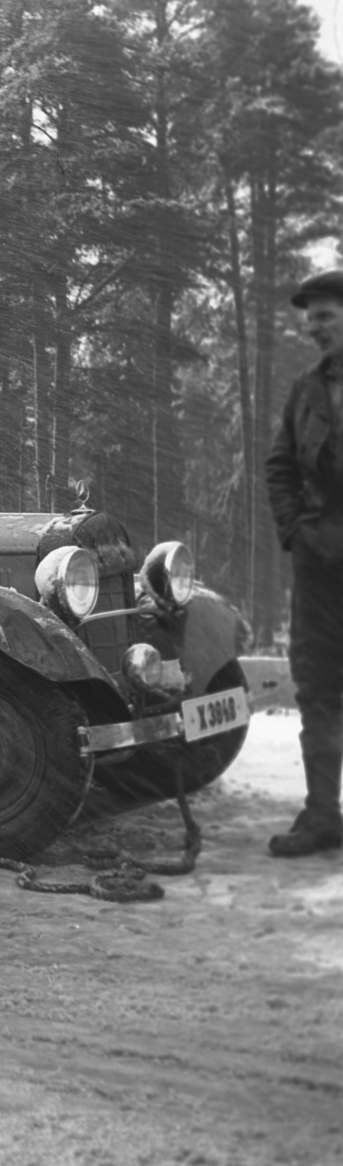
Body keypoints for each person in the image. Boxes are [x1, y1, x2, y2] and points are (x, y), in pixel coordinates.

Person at [265, 268, 343, 857]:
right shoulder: (305, 390)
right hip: (318, 562)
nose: (313, 327)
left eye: (324, 316)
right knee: (317, 685)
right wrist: (296, 532)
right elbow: (280, 466)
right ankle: (322, 817)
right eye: (310, 318)